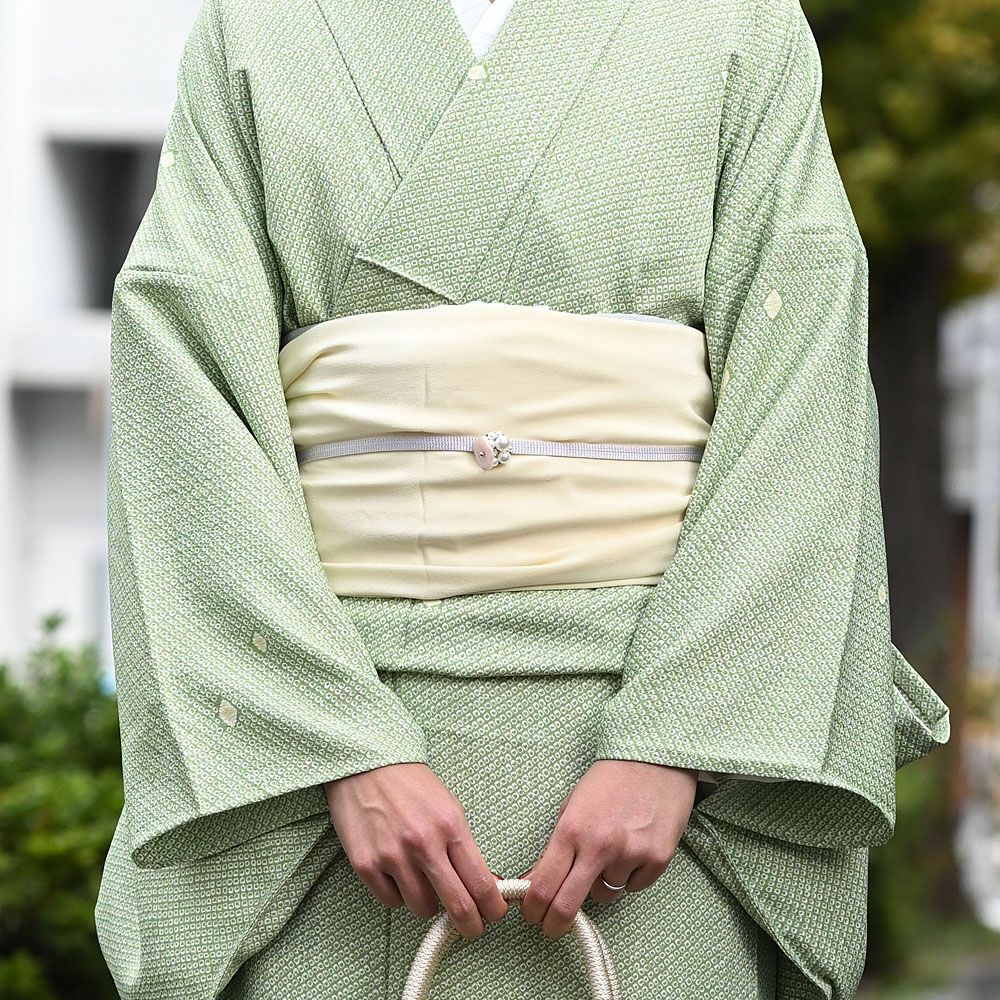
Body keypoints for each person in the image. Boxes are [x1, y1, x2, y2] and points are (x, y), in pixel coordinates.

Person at [95, 1, 951, 998]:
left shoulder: (739, 21)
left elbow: (801, 377)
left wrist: (679, 743)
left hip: (661, 777)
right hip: (333, 769)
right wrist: (340, 748)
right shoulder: (259, 23)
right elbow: (182, 380)